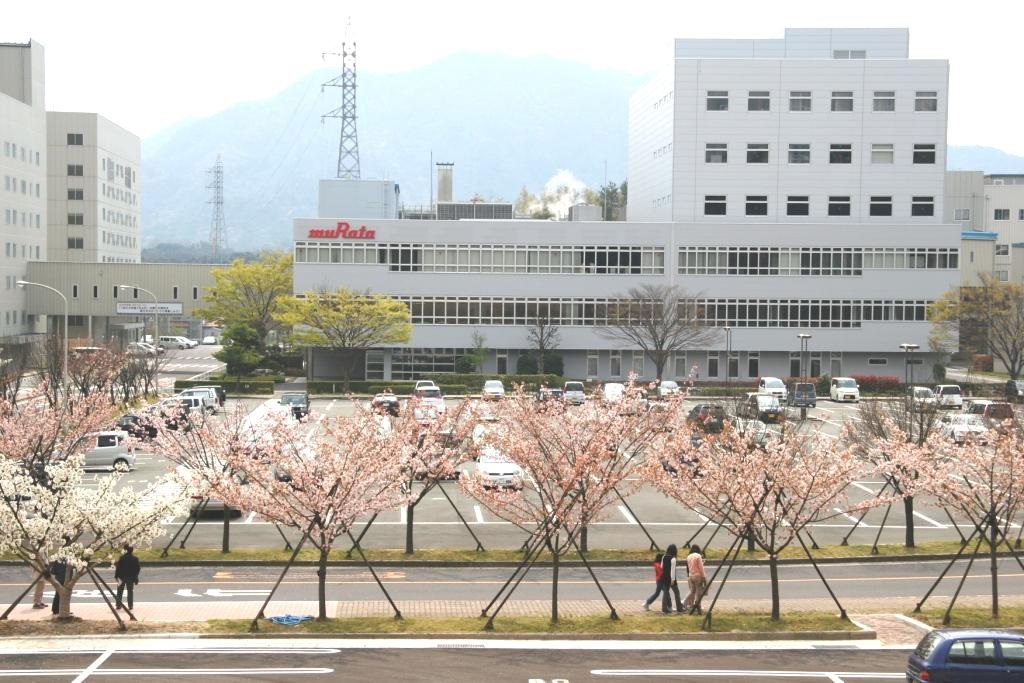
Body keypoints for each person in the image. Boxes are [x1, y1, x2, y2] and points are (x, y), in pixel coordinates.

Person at [682, 544, 707, 615]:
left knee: (692, 591)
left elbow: (691, 566)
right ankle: (698, 606)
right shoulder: (698, 556)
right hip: (697, 576)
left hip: (691, 576)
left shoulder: (688, 556)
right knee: (698, 592)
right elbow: (701, 568)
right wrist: (704, 577)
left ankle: (684, 603)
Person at [115, 544, 141, 610]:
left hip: (121, 577)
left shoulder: (122, 558)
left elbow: (118, 568)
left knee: (119, 591)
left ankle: (118, 605)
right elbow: (137, 569)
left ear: (125, 550)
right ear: (132, 551)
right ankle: (130, 605)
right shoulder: (135, 559)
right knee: (130, 591)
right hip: (130, 578)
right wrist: (136, 577)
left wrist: (116, 576)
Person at [660, 544, 683, 614]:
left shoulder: (664, 556)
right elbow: (672, 570)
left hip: (664, 577)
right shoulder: (673, 559)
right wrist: (672, 580)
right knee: (676, 592)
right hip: (671, 578)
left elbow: (661, 566)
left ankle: (664, 609)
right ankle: (679, 608)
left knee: (665, 593)